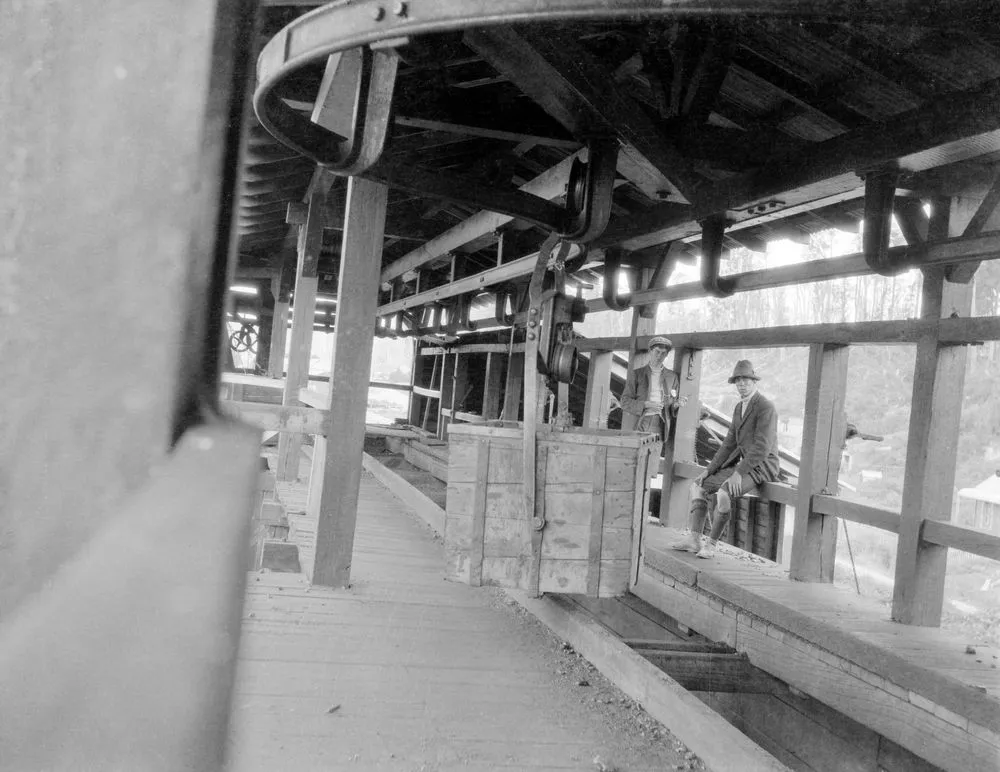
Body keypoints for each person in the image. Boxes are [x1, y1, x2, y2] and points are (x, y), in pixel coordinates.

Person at [674, 359, 780, 559]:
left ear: (754, 381)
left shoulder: (766, 407)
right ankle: (694, 540)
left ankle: (711, 545)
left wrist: (738, 473)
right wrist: (709, 470)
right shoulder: (739, 407)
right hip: (744, 463)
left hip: (762, 465)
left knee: (724, 493)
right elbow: (729, 444)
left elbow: (762, 447)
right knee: (700, 485)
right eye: (738, 381)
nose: (742, 384)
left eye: (746, 380)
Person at [620, 336, 687, 441]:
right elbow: (624, 402)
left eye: (663, 353)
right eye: (657, 351)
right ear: (650, 351)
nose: (659, 356)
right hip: (640, 421)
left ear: (667, 355)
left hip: (661, 423)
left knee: (654, 454)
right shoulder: (637, 374)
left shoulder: (672, 377)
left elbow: (671, 406)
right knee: (636, 454)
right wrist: (646, 404)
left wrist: (677, 405)